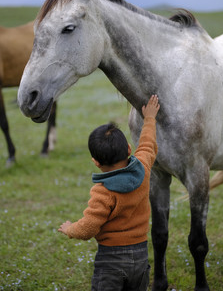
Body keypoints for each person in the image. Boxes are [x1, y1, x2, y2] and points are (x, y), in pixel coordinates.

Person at [58, 95, 160, 291]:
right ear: (129, 149)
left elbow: (88, 228)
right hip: (140, 256)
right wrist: (149, 119)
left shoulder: (103, 193)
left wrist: (70, 228)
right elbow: (148, 145)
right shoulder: (144, 169)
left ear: (96, 162)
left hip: (110, 261)